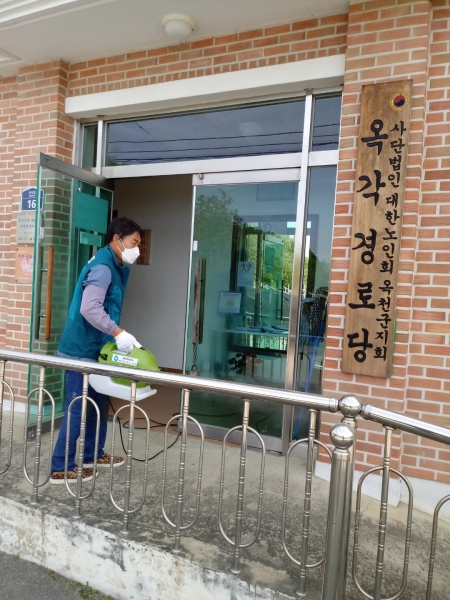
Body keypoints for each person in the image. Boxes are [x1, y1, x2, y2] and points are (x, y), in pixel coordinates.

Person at [50, 217, 143, 484]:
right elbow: (89, 308)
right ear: (117, 239)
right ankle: (60, 466)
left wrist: (114, 336)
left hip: (97, 349)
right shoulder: (103, 267)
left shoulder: (113, 265)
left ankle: (93, 454)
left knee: (98, 405)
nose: (137, 249)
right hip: (81, 349)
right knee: (78, 408)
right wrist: (117, 332)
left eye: (139, 244)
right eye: (134, 242)